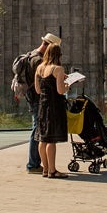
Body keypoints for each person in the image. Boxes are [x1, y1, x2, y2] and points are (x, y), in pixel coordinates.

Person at [21, 32, 59, 173]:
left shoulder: (31, 54)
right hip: (38, 99)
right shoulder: (39, 61)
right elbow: (45, 82)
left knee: (36, 128)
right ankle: (33, 164)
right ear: (48, 46)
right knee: (38, 130)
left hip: (31, 97)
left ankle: (36, 164)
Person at [35, 40, 69, 178]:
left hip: (43, 107)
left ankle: (45, 169)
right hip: (55, 107)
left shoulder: (39, 68)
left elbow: (38, 90)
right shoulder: (58, 69)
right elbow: (60, 91)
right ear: (58, 55)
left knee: (42, 139)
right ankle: (53, 171)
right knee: (51, 140)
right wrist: (67, 85)